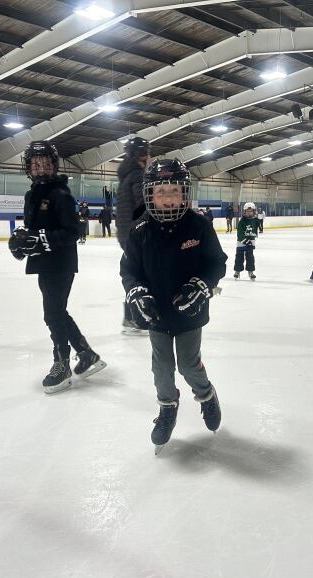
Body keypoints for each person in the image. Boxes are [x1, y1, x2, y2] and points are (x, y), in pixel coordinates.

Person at [120, 158, 227, 454]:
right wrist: (137, 292)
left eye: (174, 191)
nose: (168, 198)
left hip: (190, 313)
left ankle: (206, 396)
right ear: (150, 195)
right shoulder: (140, 229)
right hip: (157, 314)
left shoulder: (199, 226)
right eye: (161, 192)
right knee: (162, 367)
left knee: (189, 366)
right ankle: (167, 407)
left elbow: (217, 262)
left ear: (185, 193)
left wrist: (201, 286)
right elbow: (129, 270)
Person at [8, 141, 106, 393]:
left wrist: (41, 239)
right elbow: (33, 230)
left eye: (46, 164)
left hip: (60, 263)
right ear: (29, 167)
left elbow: (73, 232)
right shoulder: (32, 195)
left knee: (52, 314)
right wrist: (21, 245)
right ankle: (86, 354)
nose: (41, 169)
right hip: (43, 262)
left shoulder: (61, 195)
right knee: (58, 312)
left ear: (54, 166)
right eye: (36, 164)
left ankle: (61, 364)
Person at [116, 136, 151, 334]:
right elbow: (142, 206)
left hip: (125, 233)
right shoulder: (137, 175)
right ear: (142, 155)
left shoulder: (126, 175)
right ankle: (135, 317)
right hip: (135, 233)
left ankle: (131, 316)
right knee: (142, 274)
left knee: (137, 272)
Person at [234, 202, 259, 280]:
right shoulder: (242, 221)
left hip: (250, 243)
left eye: (251, 211)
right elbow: (240, 233)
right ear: (244, 212)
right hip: (241, 243)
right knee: (239, 257)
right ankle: (237, 271)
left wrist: (259, 220)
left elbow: (256, 229)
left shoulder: (255, 220)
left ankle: (251, 272)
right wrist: (245, 240)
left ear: (253, 211)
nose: (249, 213)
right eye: (247, 211)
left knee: (250, 258)